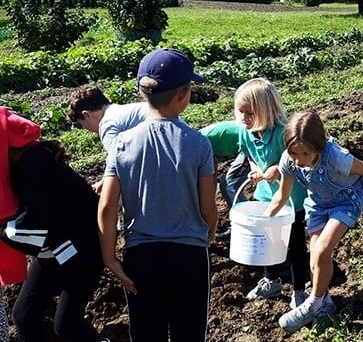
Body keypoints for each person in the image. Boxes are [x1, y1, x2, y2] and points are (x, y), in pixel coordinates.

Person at [98, 48, 217, 342]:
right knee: (188, 333)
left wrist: (110, 259)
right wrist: (210, 232)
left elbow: (106, 208)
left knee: (146, 332)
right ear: (183, 95)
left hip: (141, 256)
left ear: (142, 92)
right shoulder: (198, 143)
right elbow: (207, 207)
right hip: (188, 255)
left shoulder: (122, 144)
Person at [267, 111, 363, 333]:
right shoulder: (289, 161)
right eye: (294, 152)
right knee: (315, 259)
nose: (298, 159)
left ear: (318, 147)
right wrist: (265, 218)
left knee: (322, 251)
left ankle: (312, 303)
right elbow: (282, 196)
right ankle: (326, 304)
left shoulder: (335, 157)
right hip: (318, 205)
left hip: (345, 202)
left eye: (305, 153)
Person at [0, 107, 108, 342]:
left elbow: (32, 228)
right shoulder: (26, 160)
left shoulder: (32, 165)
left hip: (83, 247)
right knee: (25, 315)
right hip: (57, 246)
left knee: (68, 324)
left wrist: (2, 231)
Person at [201, 78, 309, 304]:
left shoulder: (282, 132)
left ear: (267, 111)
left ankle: (299, 291)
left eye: (250, 114)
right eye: (240, 112)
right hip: (264, 196)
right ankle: (271, 281)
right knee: (266, 240)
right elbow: (250, 156)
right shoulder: (245, 132)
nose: (244, 118)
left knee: (295, 244)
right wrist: (256, 170)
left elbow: (296, 159)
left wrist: (276, 169)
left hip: (291, 198)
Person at [67, 86, 147, 193]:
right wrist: (102, 182)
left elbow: (119, 167)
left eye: (83, 125)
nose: (86, 129)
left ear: (86, 115)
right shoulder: (122, 111)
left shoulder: (107, 125)